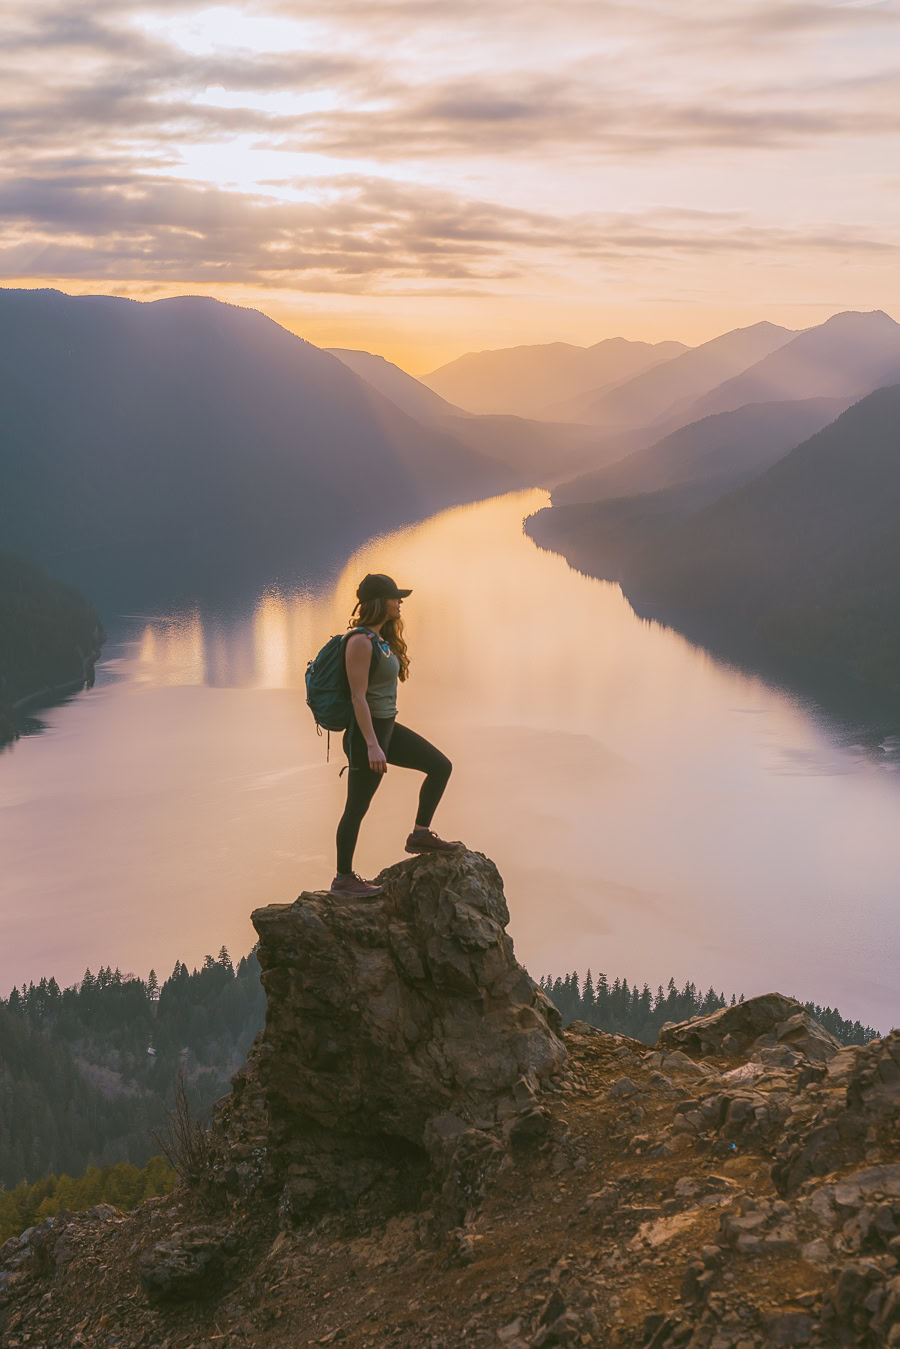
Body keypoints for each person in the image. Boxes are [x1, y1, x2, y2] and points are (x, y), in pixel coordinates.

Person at [331, 573, 461, 897]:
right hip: (367, 737)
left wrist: (382, 739)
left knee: (440, 766)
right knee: (356, 808)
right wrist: (373, 746)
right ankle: (343, 879)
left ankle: (420, 834)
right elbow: (358, 697)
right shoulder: (359, 642)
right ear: (379, 602)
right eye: (395, 597)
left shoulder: (379, 640)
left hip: (387, 728)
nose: (400, 602)